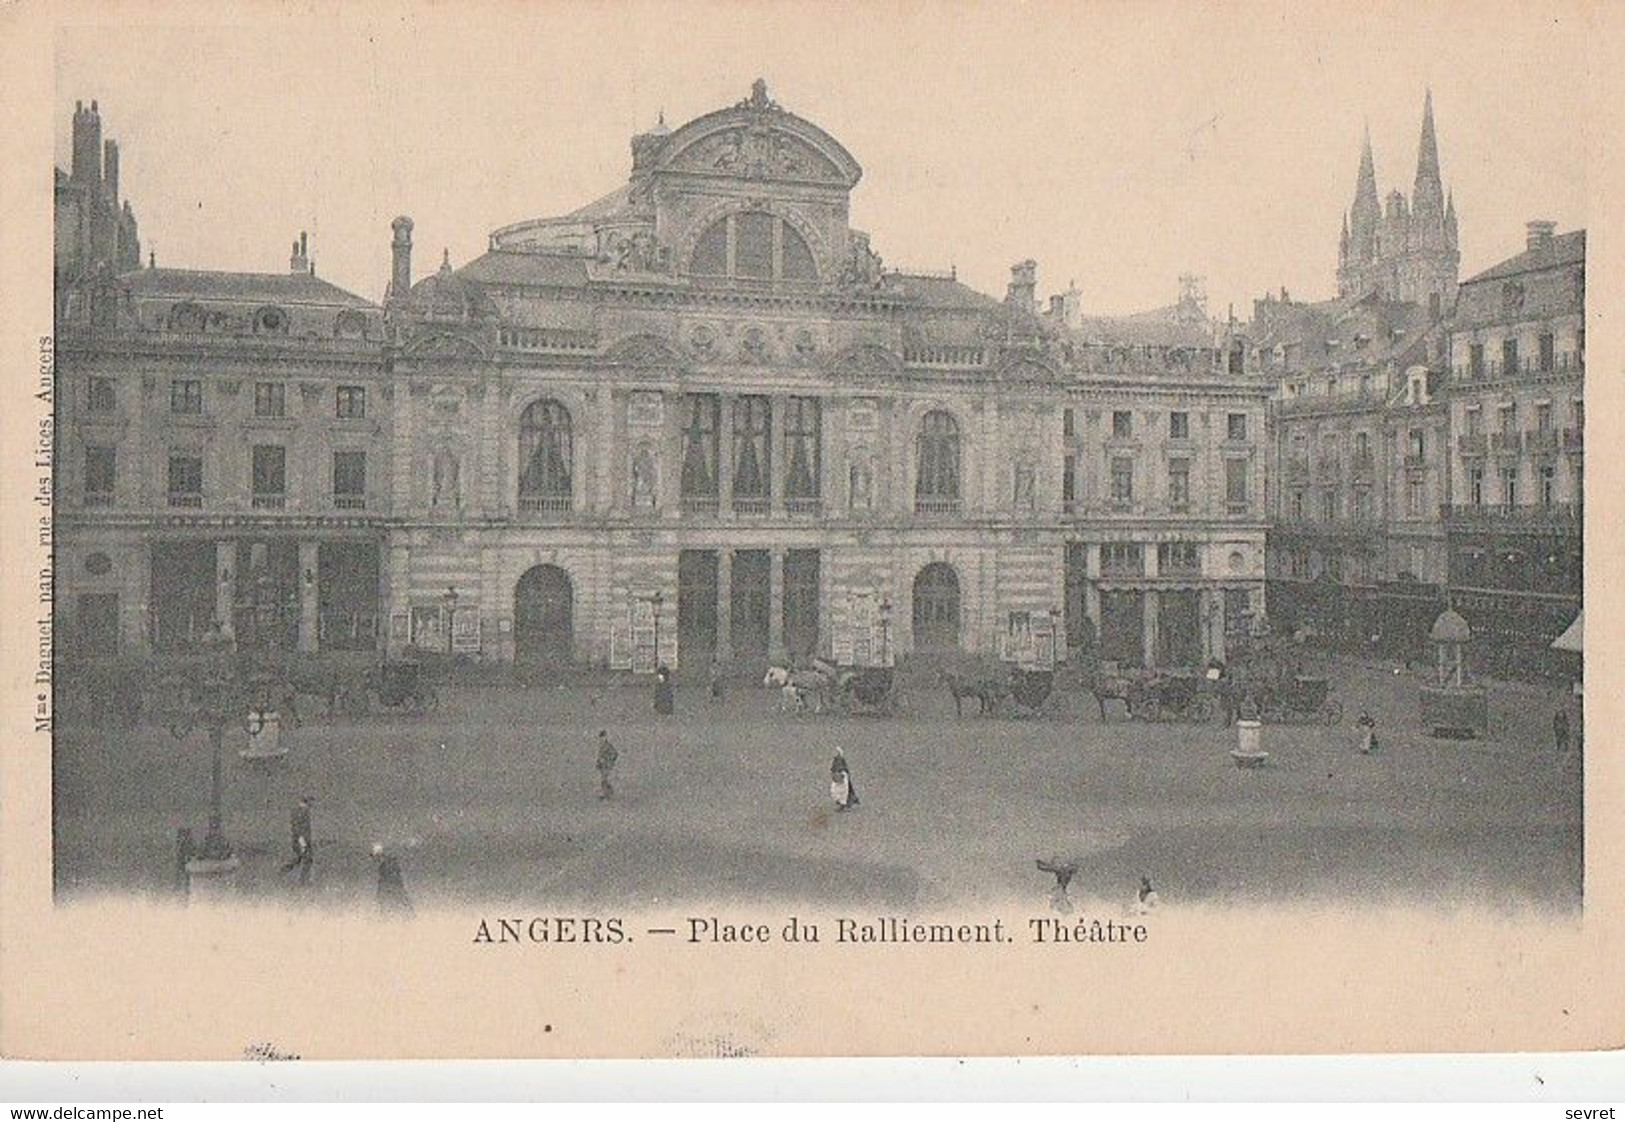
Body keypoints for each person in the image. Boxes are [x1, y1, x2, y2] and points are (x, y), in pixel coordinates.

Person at [280, 795, 314, 885]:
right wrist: (302, 842)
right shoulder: (303, 812)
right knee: (305, 859)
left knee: (300, 859)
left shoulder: (298, 812)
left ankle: (286, 872)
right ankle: (303, 880)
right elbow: (300, 828)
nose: (311, 804)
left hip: (300, 838)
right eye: (310, 802)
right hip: (301, 839)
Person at [372, 845, 414, 916]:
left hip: (394, 888)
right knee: (402, 905)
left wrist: (380, 892)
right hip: (394, 888)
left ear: (378, 855)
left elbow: (385, 880)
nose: (375, 859)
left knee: (400, 905)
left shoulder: (385, 865)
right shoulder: (386, 863)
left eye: (375, 857)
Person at [830, 747, 859, 811]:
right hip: (837, 777)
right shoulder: (835, 761)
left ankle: (843, 804)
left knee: (843, 791)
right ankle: (841, 802)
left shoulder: (840, 760)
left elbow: (843, 769)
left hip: (842, 776)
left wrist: (841, 774)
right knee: (835, 790)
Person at [596, 730, 618, 799]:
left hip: (607, 765)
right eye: (600, 737)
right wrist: (599, 762)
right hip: (603, 765)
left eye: (602, 737)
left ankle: (608, 793)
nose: (601, 739)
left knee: (605, 779)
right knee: (604, 779)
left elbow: (614, 754)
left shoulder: (607, 746)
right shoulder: (602, 746)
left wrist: (609, 761)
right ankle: (607, 793)